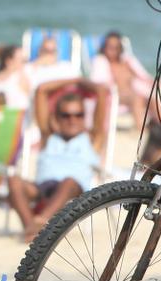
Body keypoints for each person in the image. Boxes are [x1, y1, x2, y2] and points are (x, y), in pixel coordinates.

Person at [7, 78, 107, 242]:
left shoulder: (92, 138)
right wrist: (71, 79)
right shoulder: (49, 136)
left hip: (74, 189)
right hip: (43, 188)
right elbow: (41, 90)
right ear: (57, 117)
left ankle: (39, 223)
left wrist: (81, 82)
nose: (72, 120)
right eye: (65, 115)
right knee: (13, 180)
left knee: (68, 182)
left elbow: (101, 91)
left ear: (84, 116)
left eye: (78, 115)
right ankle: (32, 228)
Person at [89, 31, 152, 128]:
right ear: (104, 48)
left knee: (153, 99)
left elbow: (143, 76)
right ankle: (141, 129)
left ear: (120, 48)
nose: (113, 50)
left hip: (133, 92)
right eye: (110, 47)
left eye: (116, 47)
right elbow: (98, 82)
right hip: (115, 94)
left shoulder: (126, 62)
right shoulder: (101, 61)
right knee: (136, 98)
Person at [0, 44, 30, 110]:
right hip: (17, 117)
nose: (26, 63)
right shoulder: (21, 77)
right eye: (23, 60)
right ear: (9, 61)